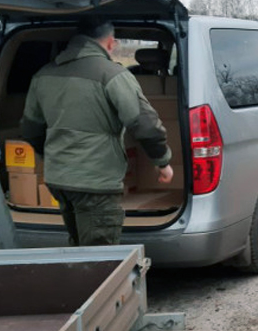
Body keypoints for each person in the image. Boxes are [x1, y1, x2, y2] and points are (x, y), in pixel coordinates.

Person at [20, 19, 174, 247]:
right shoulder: (112, 75)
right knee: (100, 256)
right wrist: (162, 162)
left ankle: (79, 280)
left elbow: (30, 128)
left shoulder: (43, 74)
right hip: (95, 182)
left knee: (79, 245)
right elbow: (145, 124)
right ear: (110, 43)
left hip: (59, 179)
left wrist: (54, 156)